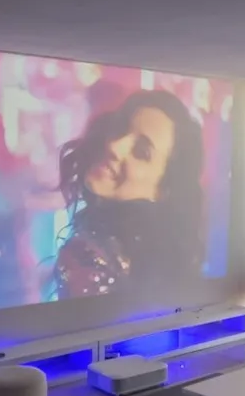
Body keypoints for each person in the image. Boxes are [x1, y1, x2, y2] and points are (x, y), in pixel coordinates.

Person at [55, 90, 204, 303]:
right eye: (121, 128)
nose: (115, 146)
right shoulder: (152, 259)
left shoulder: (89, 253)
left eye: (142, 152)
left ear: (161, 192)